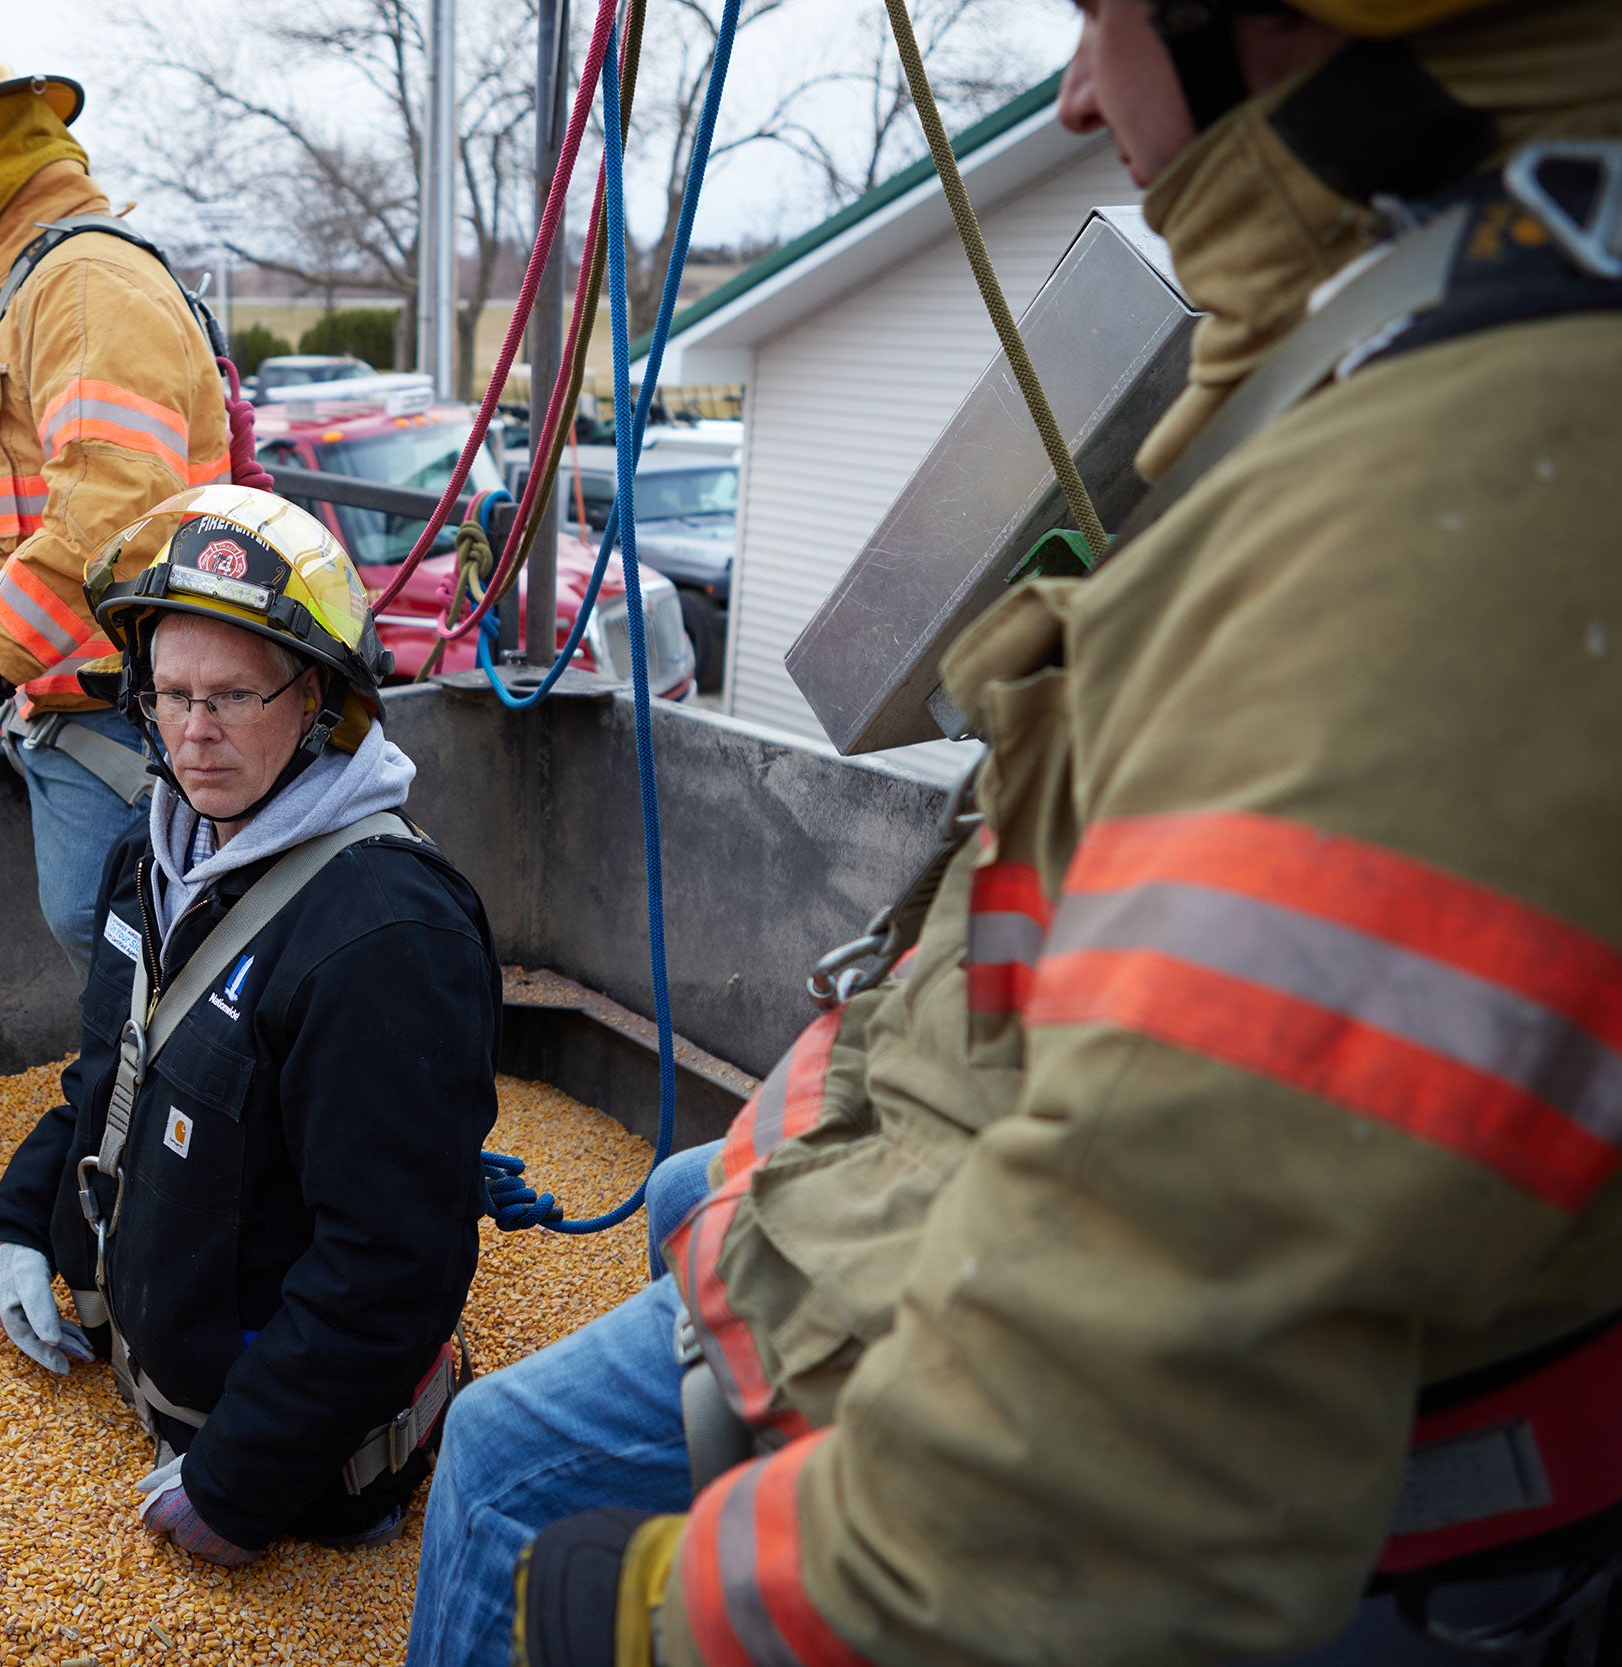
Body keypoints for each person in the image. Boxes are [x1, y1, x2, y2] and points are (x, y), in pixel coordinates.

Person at [408, 0, 1622, 1662]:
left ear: (1266, 23)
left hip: (1235, 1507)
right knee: (699, 1175)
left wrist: (641, 1618)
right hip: (989, 1179)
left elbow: (1125, 1417)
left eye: (1100, 16)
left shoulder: (1449, 491)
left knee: (506, 1467)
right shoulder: (1426, 340)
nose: (1069, 96)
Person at [0, 484, 502, 1562]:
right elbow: (107, 1075)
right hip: (139, 1384)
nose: (195, 735)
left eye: (235, 697)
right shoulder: (154, 851)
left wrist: (237, 1483)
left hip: (288, 1475)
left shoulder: (386, 932)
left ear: (320, 700)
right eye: (170, 695)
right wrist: (22, 1224)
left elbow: (392, 1259)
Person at [0, 35, 246, 974]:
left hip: (127, 701)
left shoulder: (81, 285)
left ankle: (182, 1111)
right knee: (112, 927)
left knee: (122, 927)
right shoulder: (42, 287)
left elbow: (123, 503)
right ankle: (139, 1103)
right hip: (79, 689)